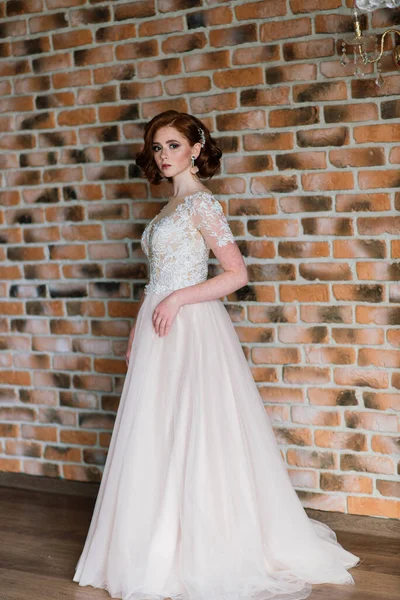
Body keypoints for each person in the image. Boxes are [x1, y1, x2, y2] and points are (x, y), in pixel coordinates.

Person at [73, 110, 360, 600]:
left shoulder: (202, 205)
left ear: (196, 150)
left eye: (173, 146)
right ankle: (154, 545)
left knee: (197, 431)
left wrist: (178, 299)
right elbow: (159, 276)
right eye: (158, 147)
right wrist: (136, 330)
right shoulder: (169, 208)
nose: (164, 156)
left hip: (192, 328)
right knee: (156, 432)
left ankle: (203, 546)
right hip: (159, 326)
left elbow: (235, 274)